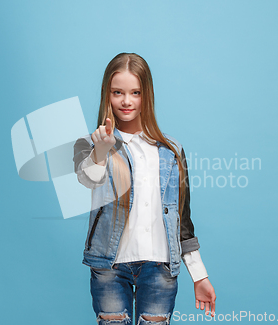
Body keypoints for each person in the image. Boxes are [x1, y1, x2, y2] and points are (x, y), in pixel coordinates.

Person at [73, 52, 216, 325]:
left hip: (159, 267)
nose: (126, 101)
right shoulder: (89, 144)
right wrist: (101, 152)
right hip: (109, 267)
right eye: (118, 92)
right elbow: (88, 178)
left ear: (146, 94)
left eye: (135, 92)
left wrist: (200, 275)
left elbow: (181, 219)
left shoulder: (172, 150)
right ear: (107, 94)